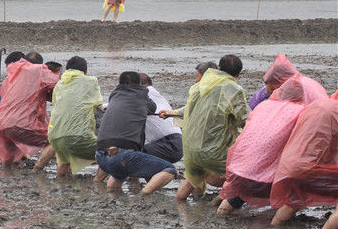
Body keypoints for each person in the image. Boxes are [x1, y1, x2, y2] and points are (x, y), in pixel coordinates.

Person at [218, 74, 328, 215]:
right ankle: (278, 223)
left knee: (241, 191)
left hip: (238, 174)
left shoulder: (264, 106)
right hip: (267, 182)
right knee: (296, 191)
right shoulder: (301, 113)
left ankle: (220, 212)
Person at [160, 54, 250, 201]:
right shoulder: (234, 89)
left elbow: (189, 108)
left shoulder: (200, 86)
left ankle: (181, 206)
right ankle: (219, 204)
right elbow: (244, 119)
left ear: (219, 68)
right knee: (241, 174)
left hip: (191, 150)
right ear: (239, 74)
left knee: (192, 178)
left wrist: (172, 113)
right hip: (214, 152)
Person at [94, 71, 176, 194]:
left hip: (100, 156)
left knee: (119, 174)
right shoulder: (141, 94)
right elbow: (152, 108)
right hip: (122, 156)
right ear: (139, 85)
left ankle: (112, 199)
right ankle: (142, 196)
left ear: (119, 83)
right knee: (170, 169)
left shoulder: (114, 96)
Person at [269, 90, 338, 229]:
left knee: (294, 200)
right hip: (311, 169)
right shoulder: (335, 112)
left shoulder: (317, 105)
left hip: (290, 165)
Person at [34, 56, 102, 176]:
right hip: (79, 137)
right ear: (86, 71)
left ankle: (43, 174)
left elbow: (55, 102)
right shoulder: (91, 81)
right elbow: (97, 102)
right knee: (108, 154)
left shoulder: (60, 83)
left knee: (64, 161)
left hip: (55, 137)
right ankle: (99, 182)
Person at [0, 52, 59, 166]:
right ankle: (37, 169)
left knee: (9, 158)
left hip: (2, 125)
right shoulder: (39, 71)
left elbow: (5, 88)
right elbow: (60, 84)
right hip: (21, 125)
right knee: (56, 140)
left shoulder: (14, 74)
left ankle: (6, 171)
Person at [140, 73, 183, 164]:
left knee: (134, 157)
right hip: (174, 142)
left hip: (170, 143)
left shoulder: (146, 93)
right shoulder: (154, 95)